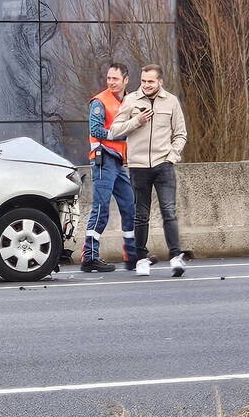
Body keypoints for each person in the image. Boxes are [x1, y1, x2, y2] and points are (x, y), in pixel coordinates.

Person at [109, 64, 188, 277]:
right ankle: (141, 259)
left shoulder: (171, 101)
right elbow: (114, 130)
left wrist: (172, 157)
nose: (146, 85)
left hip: (163, 165)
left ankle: (175, 257)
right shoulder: (131, 100)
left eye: (151, 81)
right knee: (141, 216)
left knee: (169, 211)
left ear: (160, 82)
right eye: (143, 81)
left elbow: (181, 134)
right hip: (138, 166)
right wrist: (136, 121)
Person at [80, 63, 137, 272]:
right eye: (109, 78)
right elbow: (95, 129)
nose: (111, 82)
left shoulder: (129, 101)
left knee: (129, 206)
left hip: (118, 162)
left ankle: (132, 254)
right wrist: (123, 132)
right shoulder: (99, 102)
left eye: (115, 79)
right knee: (101, 209)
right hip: (103, 160)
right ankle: (90, 257)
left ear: (125, 80)